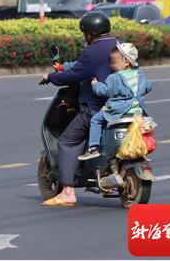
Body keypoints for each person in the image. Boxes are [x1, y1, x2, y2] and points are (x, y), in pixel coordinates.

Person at [40, 11, 117, 207]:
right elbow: (83, 66)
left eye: (85, 34)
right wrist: (63, 66)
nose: (85, 37)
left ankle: (67, 192)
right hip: (123, 107)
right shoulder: (119, 45)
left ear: (90, 33)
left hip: (97, 107)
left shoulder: (93, 50)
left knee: (68, 141)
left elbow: (75, 74)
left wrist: (52, 77)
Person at [78, 43, 152, 161]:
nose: (111, 65)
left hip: (118, 110)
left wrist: (95, 84)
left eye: (114, 62)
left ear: (126, 62)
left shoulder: (115, 77)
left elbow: (104, 91)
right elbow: (148, 87)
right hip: (137, 112)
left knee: (95, 120)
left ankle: (93, 148)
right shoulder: (140, 75)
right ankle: (140, 149)